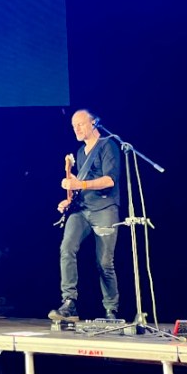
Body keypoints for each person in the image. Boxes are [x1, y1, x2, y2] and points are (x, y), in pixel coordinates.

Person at [49, 109, 121, 322]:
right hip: (81, 210)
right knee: (66, 248)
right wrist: (69, 200)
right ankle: (69, 302)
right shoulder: (80, 152)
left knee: (104, 263)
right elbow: (81, 187)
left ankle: (111, 309)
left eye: (80, 124)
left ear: (93, 123)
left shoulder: (108, 145)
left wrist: (79, 183)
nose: (76, 129)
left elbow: (109, 180)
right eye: (73, 126)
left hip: (105, 209)